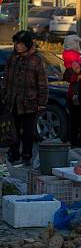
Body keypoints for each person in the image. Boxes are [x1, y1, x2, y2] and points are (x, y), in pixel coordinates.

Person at [2, 31, 48, 166]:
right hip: (13, 100)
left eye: (21, 44)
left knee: (28, 132)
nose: (18, 46)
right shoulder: (13, 58)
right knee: (12, 130)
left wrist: (42, 101)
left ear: (27, 44)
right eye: (16, 43)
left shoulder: (36, 59)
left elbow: (42, 82)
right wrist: (4, 95)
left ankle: (26, 156)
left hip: (29, 101)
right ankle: (13, 154)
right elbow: (6, 77)